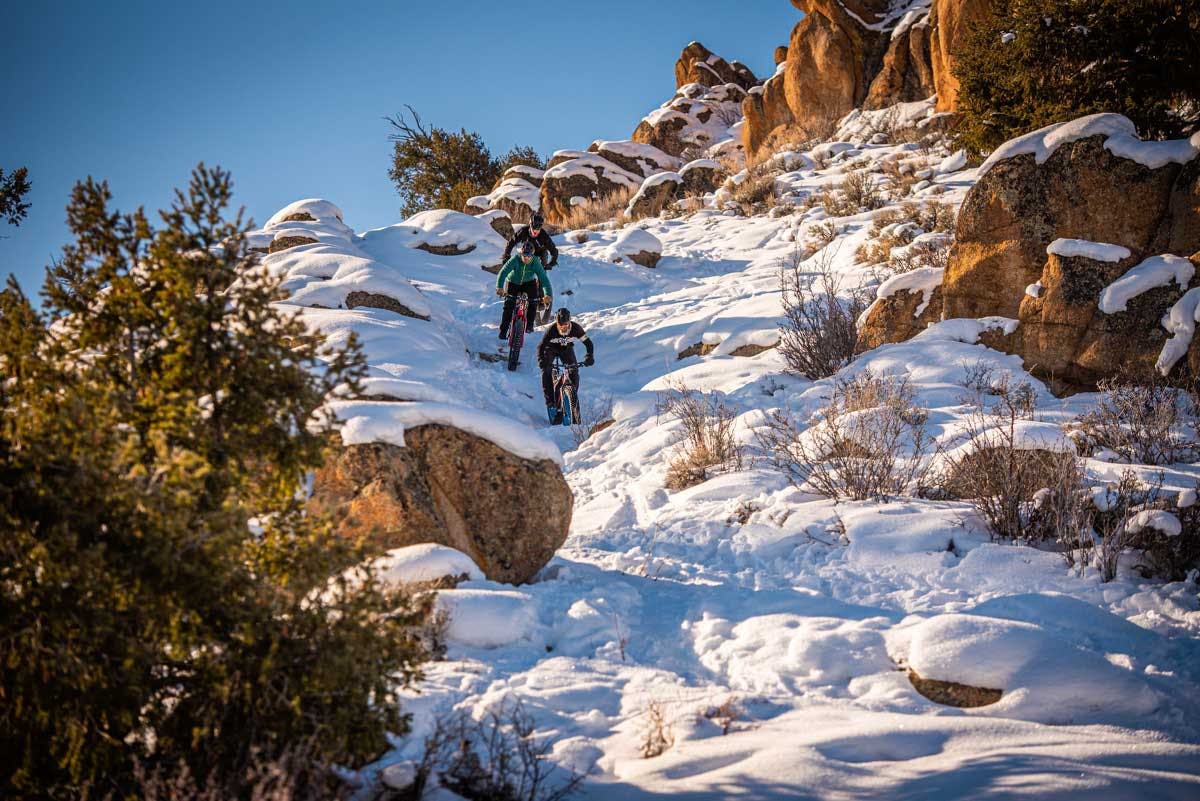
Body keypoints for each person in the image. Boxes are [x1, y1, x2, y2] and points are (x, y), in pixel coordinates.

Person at [537, 307, 594, 424]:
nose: (564, 327)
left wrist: (589, 356)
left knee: (574, 370)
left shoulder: (576, 329)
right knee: (546, 370)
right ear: (557, 323)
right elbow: (541, 347)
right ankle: (551, 402)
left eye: (566, 324)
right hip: (550, 349)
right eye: (561, 324)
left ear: (569, 322)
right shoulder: (551, 330)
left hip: (566, 350)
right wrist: (541, 359)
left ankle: (571, 396)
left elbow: (588, 343)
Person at [495, 240, 552, 339]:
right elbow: (503, 272)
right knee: (509, 304)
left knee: (533, 301)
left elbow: (544, 279)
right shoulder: (515, 259)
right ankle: (503, 330)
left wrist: (547, 294)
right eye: (524, 255)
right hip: (513, 281)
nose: (526, 258)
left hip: (529, 282)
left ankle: (529, 325)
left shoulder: (535, 262)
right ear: (521, 253)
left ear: (532, 255)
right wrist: (499, 287)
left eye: (529, 256)